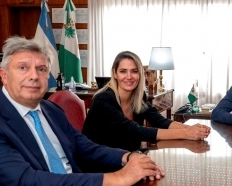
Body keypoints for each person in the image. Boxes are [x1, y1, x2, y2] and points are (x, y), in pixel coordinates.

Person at [0, 36, 164, 186]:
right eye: (23, 68)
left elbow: (86, 148)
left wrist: (128, 157)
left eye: (41, 69)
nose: (34, 76)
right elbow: (29, 184)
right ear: (4, 75)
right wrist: (119, 178)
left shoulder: (51, 110)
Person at [82, 51, 211, 152]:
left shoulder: (138, 96)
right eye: (123, 71)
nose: (129, 77)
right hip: (99, 160)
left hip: (126, 156)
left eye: (134, 71)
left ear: (140, 74)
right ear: (115, 74)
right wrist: (186, 133)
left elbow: (159, 120)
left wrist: (192, 129)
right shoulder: (103, 100)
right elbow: (136, 131)